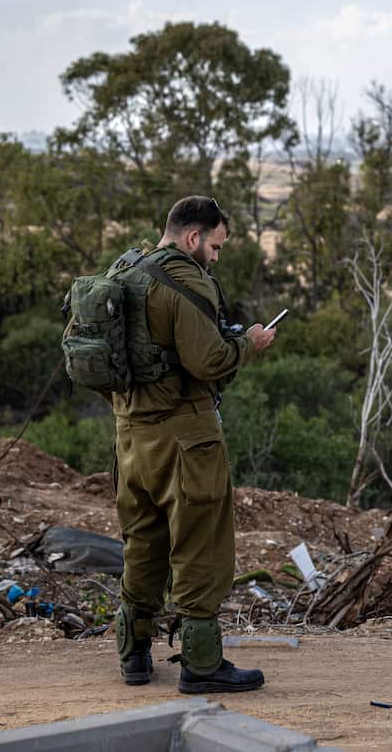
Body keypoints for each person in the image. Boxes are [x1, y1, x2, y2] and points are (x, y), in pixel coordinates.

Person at [107, 196, 277, 693]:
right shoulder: (186, 279)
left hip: (129, 438)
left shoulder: (125, 270)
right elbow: (208, 361)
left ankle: (134, 655)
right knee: (200, 545)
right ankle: (201, 665)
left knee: (142, 543)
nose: (216, 257)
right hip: (186, 438)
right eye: (216, 246)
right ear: (192, 238)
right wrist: (250, 343)